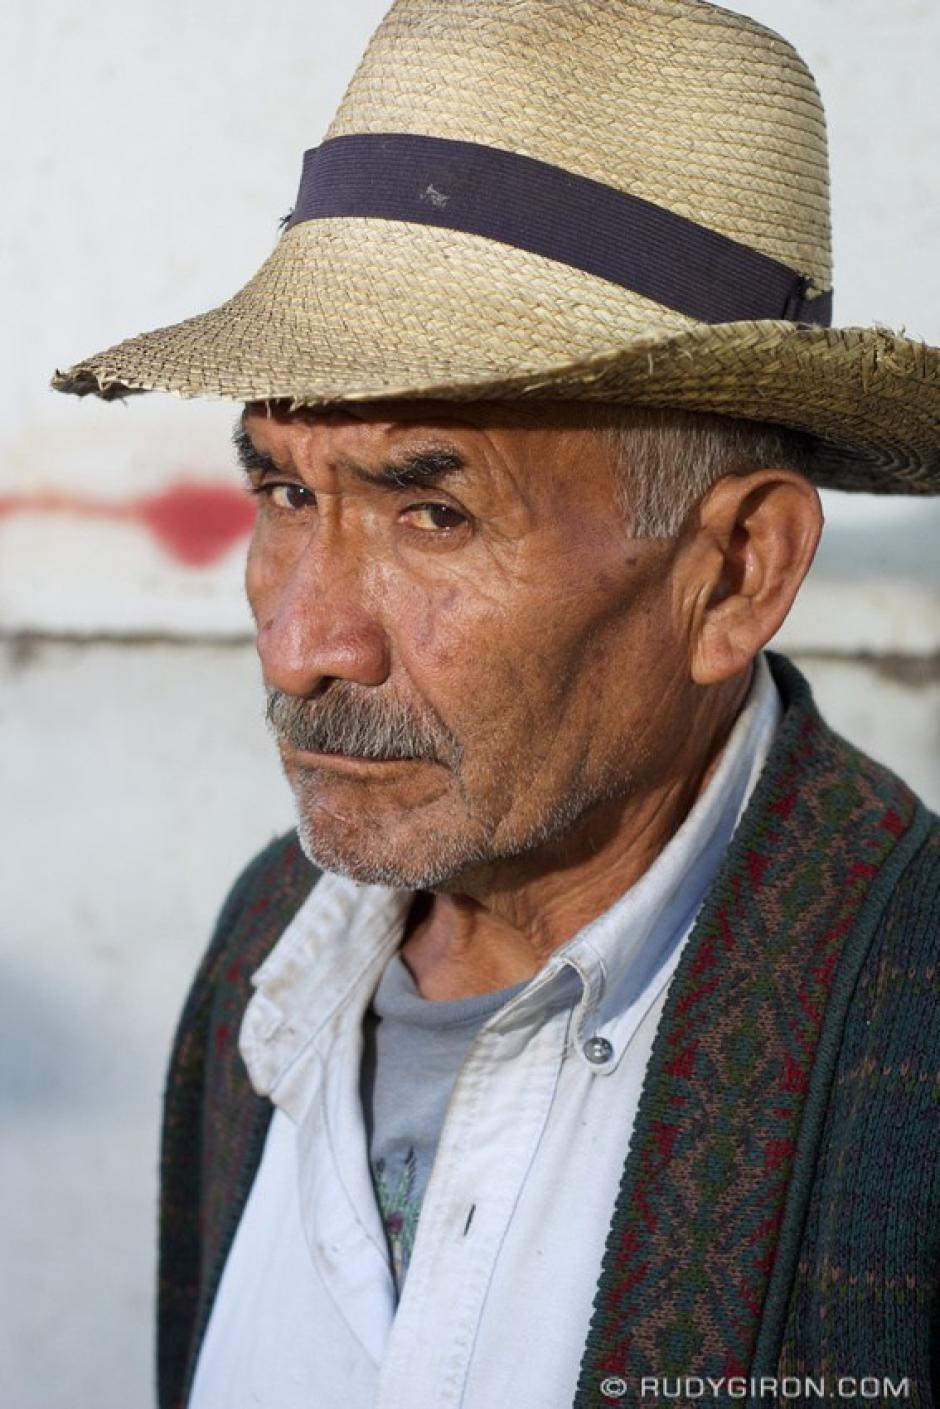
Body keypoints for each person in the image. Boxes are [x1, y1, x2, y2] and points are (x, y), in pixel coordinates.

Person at [53, 1, 939, 1406]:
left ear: (735, 573)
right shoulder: (268, 952)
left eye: (433, 513)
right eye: (283, 491)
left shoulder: (908, 1033)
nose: (301, 645)